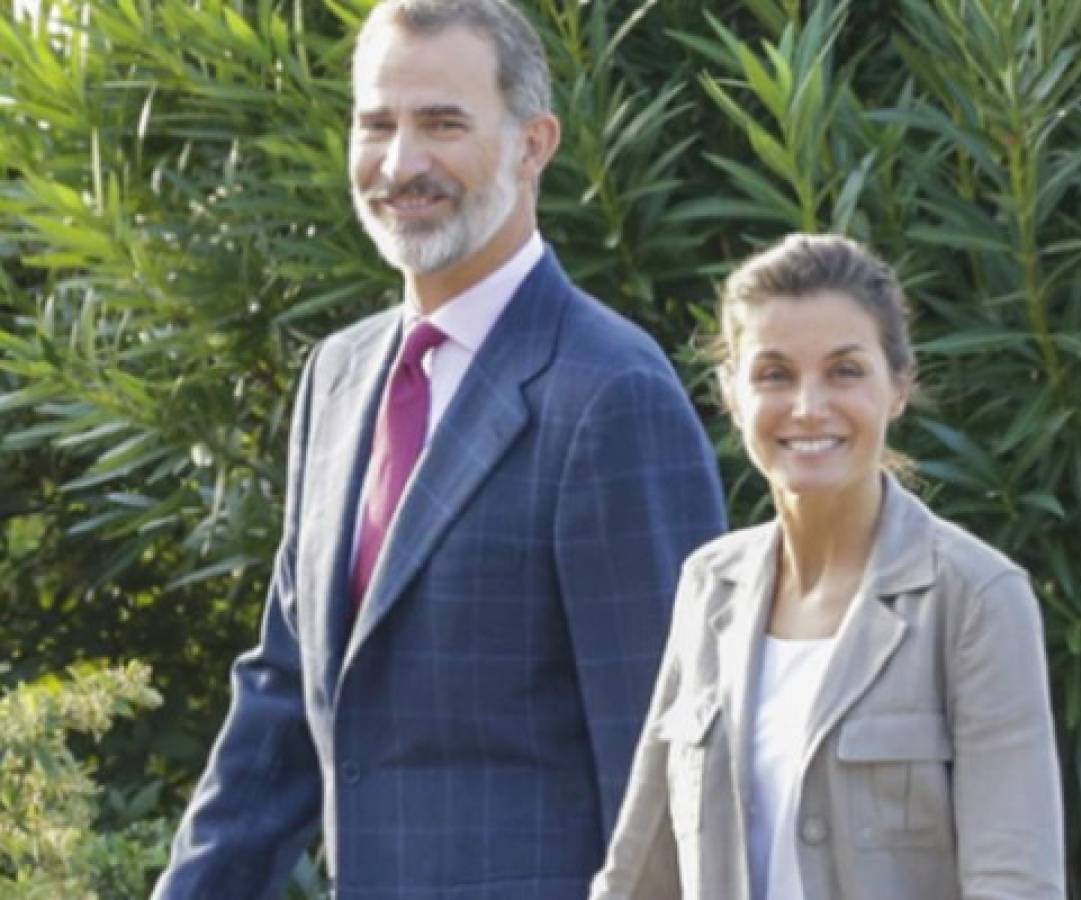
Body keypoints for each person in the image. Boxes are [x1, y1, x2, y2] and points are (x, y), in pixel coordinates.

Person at [152, 1, 726, 897]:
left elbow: (663, 767)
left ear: (533, 145)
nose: (400, 163)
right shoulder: (337, 378)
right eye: (376, 124)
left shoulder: (611, 394)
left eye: (442, 124)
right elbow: (284, 703)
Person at [589, 233, 1065, 900]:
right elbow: (641, 874)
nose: (808, 407)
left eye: (844, 371)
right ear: (731, 393)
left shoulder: (976, 599)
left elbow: (1014, 883)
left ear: (898, 386)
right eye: (774, 374)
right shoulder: (708, 586)